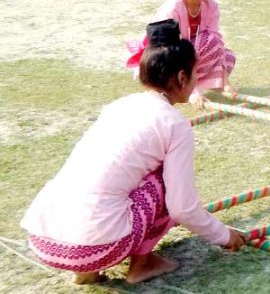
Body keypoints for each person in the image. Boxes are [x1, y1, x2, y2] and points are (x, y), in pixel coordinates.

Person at [22, 20, 246, 285]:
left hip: (43, 238)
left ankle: (87, 272)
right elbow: (182, 207)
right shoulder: (173, 124)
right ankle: (142, 264)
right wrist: (223, 235)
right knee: (163, 180)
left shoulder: (118, 106)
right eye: (195, 73)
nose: (197, 80)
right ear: (182, 77)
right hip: (96, 247)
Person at [131, 0, 238, 109]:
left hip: (187, 59)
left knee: (225, 53)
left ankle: (203, 82)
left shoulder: (212, 7)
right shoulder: (172, 9)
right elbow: (170, 52)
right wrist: (193, 91)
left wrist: (226, 83)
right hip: (164, 62)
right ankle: (185, 86)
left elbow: (216, 46)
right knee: (207, 42)